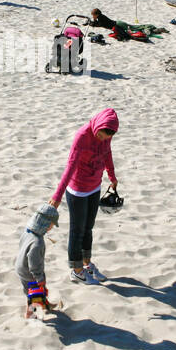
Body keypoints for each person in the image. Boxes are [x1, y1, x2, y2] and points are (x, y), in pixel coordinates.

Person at [50, 108, 118, 285]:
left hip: (94, 187)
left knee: (88, 228)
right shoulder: (82, 136)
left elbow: (107, 154)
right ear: (97, 127)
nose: (104, 139)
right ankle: (76, 270)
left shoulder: (107, 135)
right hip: (77, 190)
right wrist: (57, 197)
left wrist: (112, 175)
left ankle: (86, 264)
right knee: (77, 230)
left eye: (107, 137)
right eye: (102, 135)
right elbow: (70, 166)